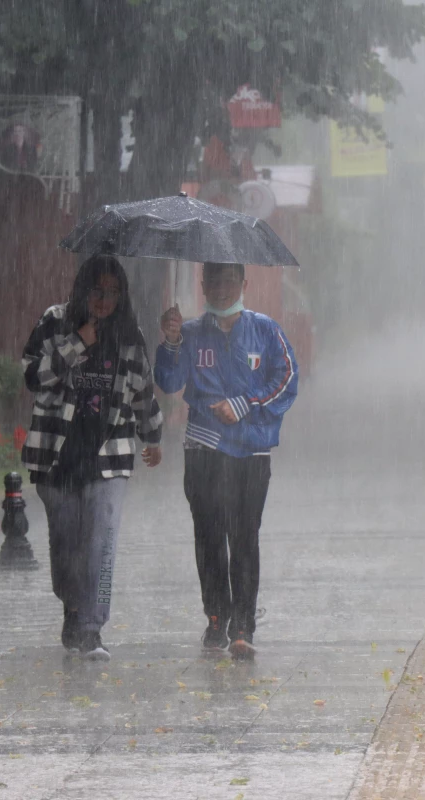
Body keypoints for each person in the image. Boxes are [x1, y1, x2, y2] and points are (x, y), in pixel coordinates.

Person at [21, 255, 163, 662]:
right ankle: (73, 610)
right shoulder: (54, 322)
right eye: (97, 291)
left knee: (101, 542)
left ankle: (92, 628)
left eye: (113, 292)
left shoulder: (128, 334)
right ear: (83, 289)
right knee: (67, 547)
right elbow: (33, 376)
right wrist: (77, 342)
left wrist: (152, 435)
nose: (104, 300)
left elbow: (142, 390)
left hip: (110, 454)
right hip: (56, 456)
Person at [155, 262, 299, 659]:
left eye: (229, 280)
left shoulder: (266, 330)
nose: (220, 288)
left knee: (244, 537)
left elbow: (287, 380)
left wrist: (244, 405)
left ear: (243, 283)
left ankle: (243, 624)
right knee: (208, 537)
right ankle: (216, 617)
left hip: (250, 454)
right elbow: (168, 382)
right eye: (213, 280)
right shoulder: (190, 333)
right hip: (202, 451)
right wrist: (169, 343)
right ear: (202, 285)